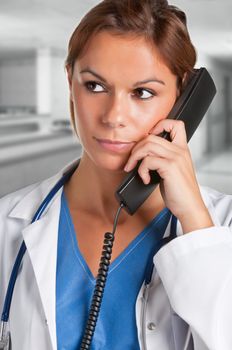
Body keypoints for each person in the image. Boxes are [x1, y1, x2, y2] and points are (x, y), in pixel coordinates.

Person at [0, 0, 232, 349]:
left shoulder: (222, 228)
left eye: (142, 93)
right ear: (70, 81)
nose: (113, 116)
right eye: (94, 86)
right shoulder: (6, 226)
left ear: (184, 97)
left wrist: (196, 220)